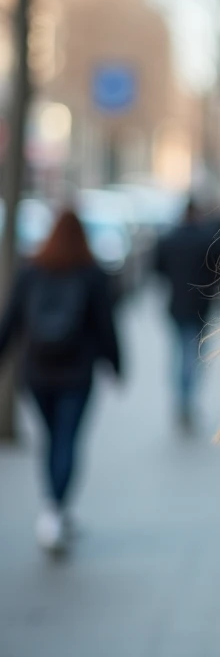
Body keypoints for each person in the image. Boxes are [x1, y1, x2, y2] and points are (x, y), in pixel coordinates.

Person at [0, 208, 121, 553]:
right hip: (76, 373)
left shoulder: (31, 271)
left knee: (51, 439)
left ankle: (53, 510)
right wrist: (116, 365)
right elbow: (105, 325)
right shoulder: (92, 274)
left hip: (36, 372)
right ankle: (56, 510)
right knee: (66, 440)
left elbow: (11, 320)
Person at [154, 198, 220, 431]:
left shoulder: (169, 239)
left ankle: (183, 399)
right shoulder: (206, 240)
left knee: (181, 352)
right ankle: (187, 400)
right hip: (201, 307)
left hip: (176, 306)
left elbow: (158, 269)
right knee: (193, 355)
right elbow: (216, 272)